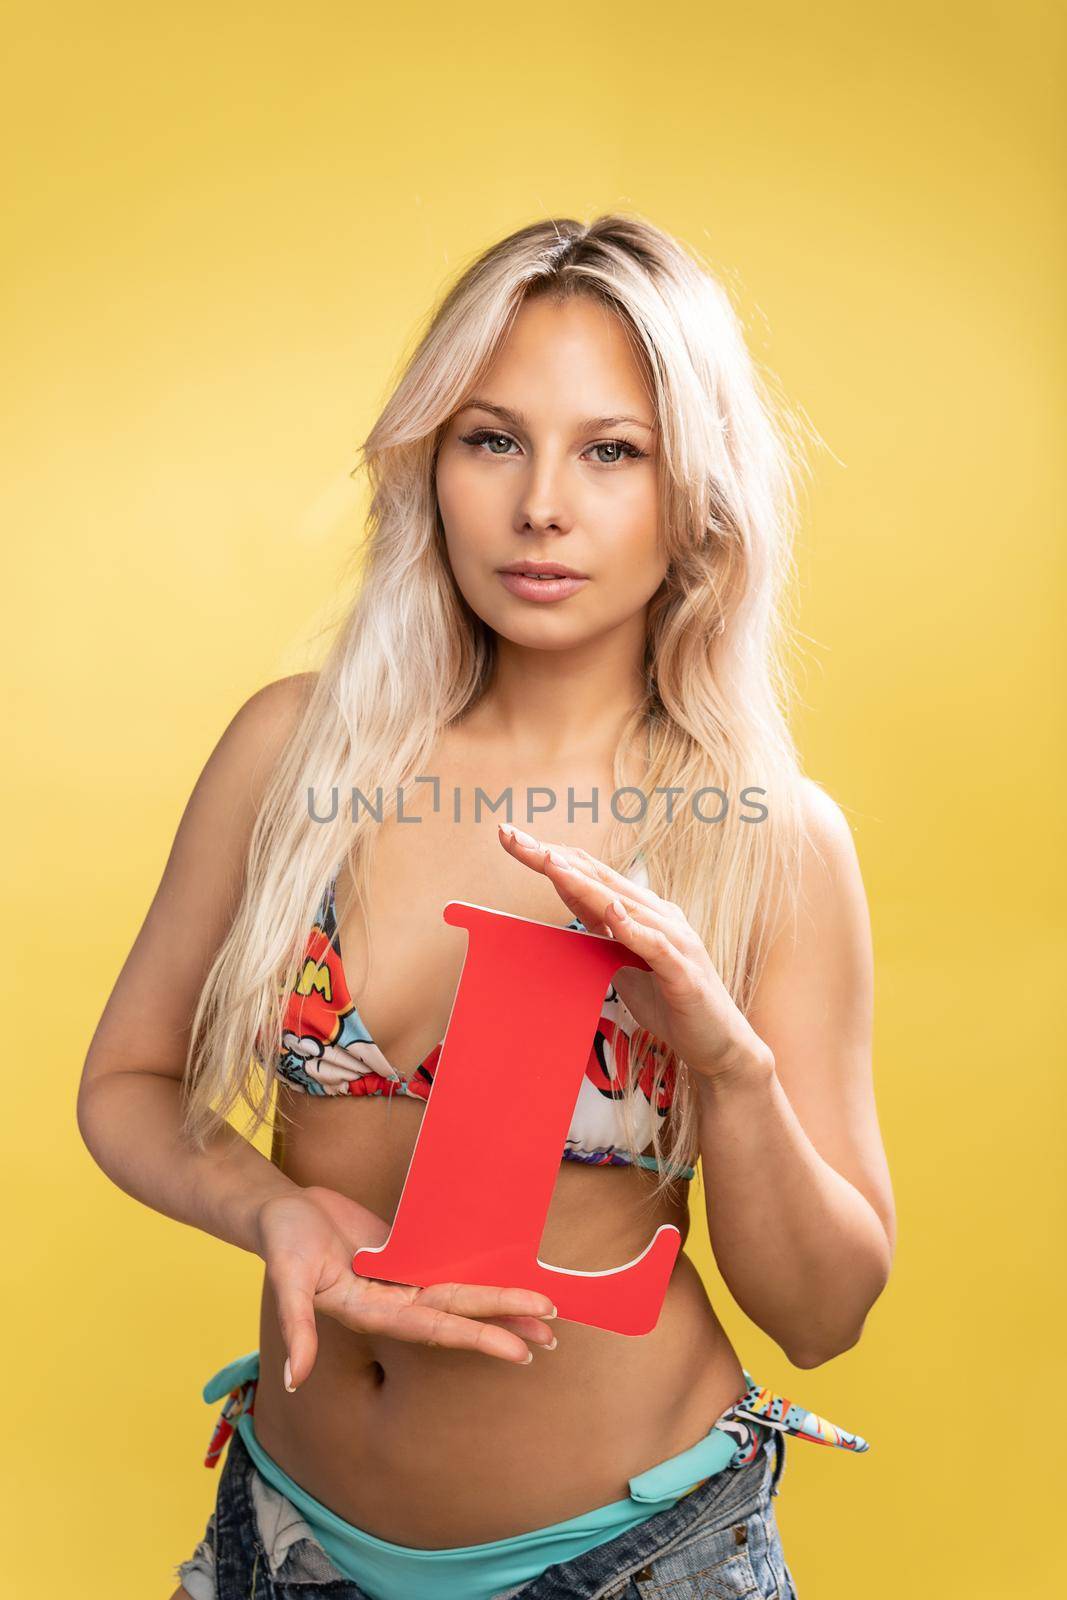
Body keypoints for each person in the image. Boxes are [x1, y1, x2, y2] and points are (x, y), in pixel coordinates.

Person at [78, 214, 895, 1600]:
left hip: (639, 1556)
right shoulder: (296, 757)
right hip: (287, 1539)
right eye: (493, 438)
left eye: (612, 450)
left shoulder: (765, 837)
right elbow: (129, 1082)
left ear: (694, 495)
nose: (542, 507)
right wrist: (273, 1210)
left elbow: (825, 1316)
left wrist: (726, 1060)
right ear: (431, 467)